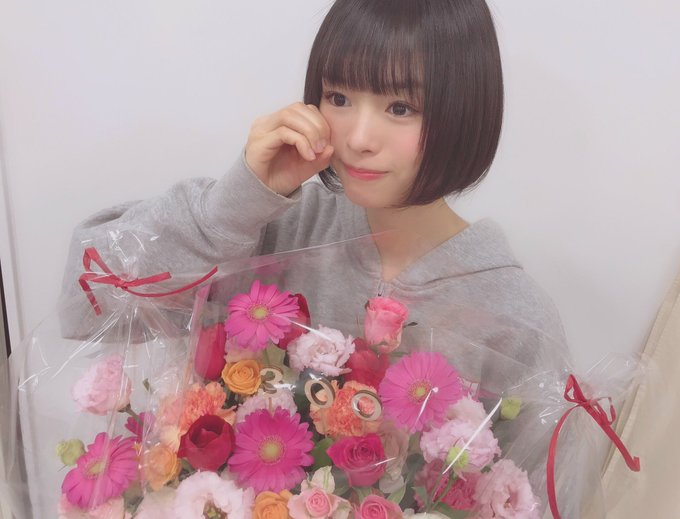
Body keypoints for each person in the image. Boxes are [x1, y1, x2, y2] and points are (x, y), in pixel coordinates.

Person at [61, 0, 568, 372]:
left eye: (400, 108)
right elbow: (85, 307)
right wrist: (232, 206)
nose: (359, 139)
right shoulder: (275, 229)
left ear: (465, 114)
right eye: (339, 98)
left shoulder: (512, 317)